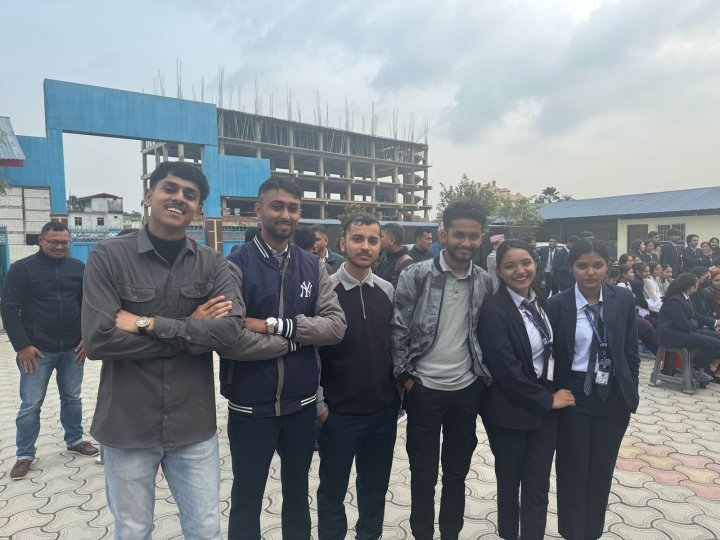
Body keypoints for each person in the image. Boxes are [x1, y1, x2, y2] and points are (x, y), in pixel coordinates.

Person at [81, 162, 254, 539]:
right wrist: (192, 328)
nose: (179, 198)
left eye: (190, 195)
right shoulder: (108, 256)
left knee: (205, 529)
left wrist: (148, 323)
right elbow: (98, 340)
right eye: (170, 189)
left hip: (193, 425)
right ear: (149, 195)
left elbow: (228, 332)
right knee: (133, 530)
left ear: (198, 209)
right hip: (127, 423)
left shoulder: (212, 263)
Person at [221, 177, 346, 540]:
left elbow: (336, 326)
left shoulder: (312, 265)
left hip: (300, 406)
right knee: (246, 497)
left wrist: (280, 326)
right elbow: (230, 339)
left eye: (293, 208)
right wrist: (295, 343)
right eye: (277, 206)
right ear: (258, 210)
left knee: (297, 496)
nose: (285, 215)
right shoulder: (234, 265)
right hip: (249, 406)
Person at [391, 200, 494, 540]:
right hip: (423, 390)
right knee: (422, 475)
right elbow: (398, 328)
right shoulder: (417, 275)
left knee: (456, 474)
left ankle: (451, 532)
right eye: (459, 234)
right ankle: (422, 533)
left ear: (481, 238)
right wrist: (405, 377)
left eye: (473, 236)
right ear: (444, 233)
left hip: (466, 391)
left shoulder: (484, 281)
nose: (466, 242)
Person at [478, 240, 575, 540]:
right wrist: (547, 400)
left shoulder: (540, 300)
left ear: (535, 263)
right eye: (510, 266)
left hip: (545, 412)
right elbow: (505, 370)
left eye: (526, 263)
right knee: (510, 484)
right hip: (509, 412)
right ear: (499, 271)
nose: (520, 271)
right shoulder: (494, 311)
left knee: (538, 485)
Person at [546, 238, 640, 540]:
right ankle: (572, 532)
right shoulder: (557, 304)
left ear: (607, 266)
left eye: (597, 265)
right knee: (573, 469)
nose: (590, 272)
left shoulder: (622, 298)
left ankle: (592, 533)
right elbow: (551, 356)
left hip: (613, 396)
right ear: (571, 268)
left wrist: (630, 389)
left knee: (602, 470)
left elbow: (630, 351)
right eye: (582, 265)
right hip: (574, 394)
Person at [316, 212, 399, 540]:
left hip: (382, 412)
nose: (365, 246)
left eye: (372, 240)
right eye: (358, 239)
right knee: (332, 492)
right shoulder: (326, 290)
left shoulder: (387, 290)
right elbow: (312, 352)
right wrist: (320, 406)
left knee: (374, 489)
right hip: (338, 415)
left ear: (380, 245)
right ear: (343, 243)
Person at [2, 221, 97, 481]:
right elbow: (9, 309)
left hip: (73, 349)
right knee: (31, 404)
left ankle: (75, 440)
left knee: (73, 398)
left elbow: (88, 305)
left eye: (64, 242)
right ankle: (24, 454)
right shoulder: (22, 269)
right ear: (41, 241)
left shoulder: (78, 268)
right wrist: (22, 346)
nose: (59, 246)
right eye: (54, 242)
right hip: (36, 352)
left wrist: (86, 338)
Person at [657, 272, 720, 384]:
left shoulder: (685, 298)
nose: (698, 285)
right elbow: (684, 324)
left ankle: (698, 366)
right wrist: (693, 323)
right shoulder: (675, 300)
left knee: (716, 336)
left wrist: (692, 323)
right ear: (691, 287)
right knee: (715, 343)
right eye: (696, 284)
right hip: (672, 335)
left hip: (683, 331)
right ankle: (696, 367)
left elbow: (693, 318)